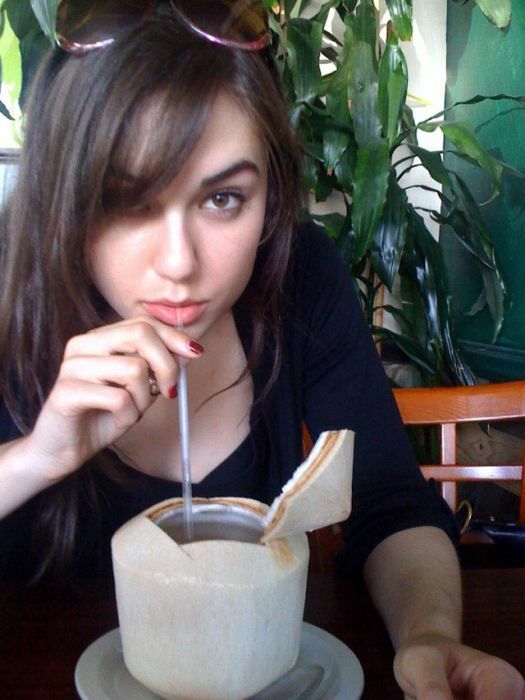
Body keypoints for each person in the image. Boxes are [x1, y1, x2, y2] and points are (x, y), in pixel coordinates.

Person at [0, 2, 523, 698]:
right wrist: (36, 457)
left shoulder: (299, 276)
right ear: (65, 200)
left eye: (222, 199)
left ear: (269, 195)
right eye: (125, 202)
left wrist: (429, 636)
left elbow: (390, 506)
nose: (179, 264)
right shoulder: (12, 294)